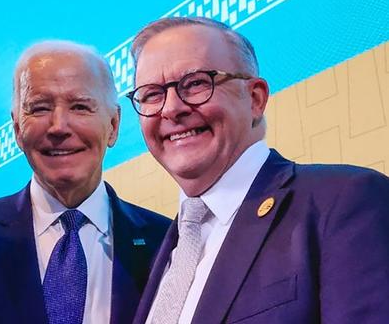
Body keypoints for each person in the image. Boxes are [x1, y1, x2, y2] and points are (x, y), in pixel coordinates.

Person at [127, 17, 389, 324]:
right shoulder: (159, 249)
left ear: (255, 98)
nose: (170, 108)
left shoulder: (345, 201)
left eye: (196, 83)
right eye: (151, 94)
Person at [0, 41, 170, 324]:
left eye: (80, 106)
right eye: (39, 108)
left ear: (113, 126)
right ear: (17, 129)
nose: (59, 127)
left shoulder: (167, 244)